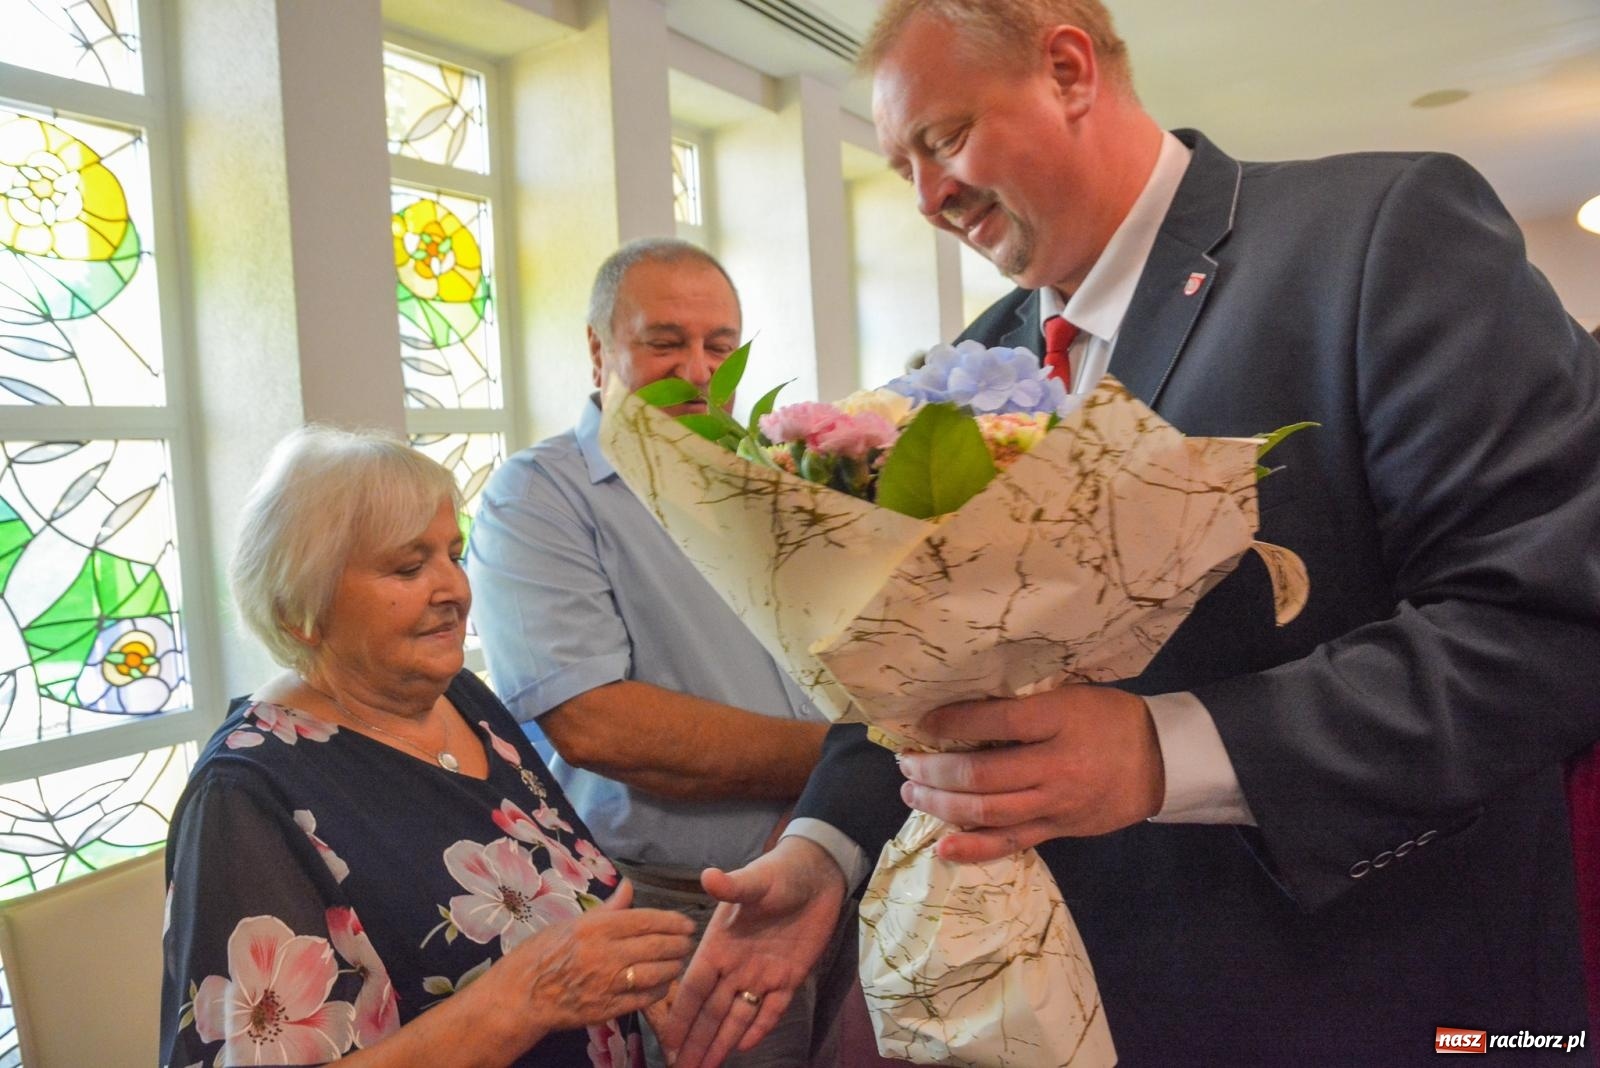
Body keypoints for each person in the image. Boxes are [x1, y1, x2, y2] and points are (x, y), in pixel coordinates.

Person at [661, 2, 1600, 1065]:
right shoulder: (973, 360)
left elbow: (1549, 624)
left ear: (1067, 69)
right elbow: (909, 664)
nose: (927, 198)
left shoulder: (1377, 235)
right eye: (902, 167)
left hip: (1376, 993)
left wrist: (1162, 754)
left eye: (944, 139)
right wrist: (824, 849)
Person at [161, 427, 695, 1067]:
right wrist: (520, 999)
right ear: (299, 610)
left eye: (454, 555)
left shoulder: (459, 698)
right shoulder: (247, 795)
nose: (455, 591)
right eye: (410, 567)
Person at [466, 238, 851, 1067]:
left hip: (835, 854)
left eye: (720, 344)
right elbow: (602, 726)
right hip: (687, 898)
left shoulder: (764, 475)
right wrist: (853, 760)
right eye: (665, 341)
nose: (701, 368)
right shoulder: (537, 499)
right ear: (598, 347)